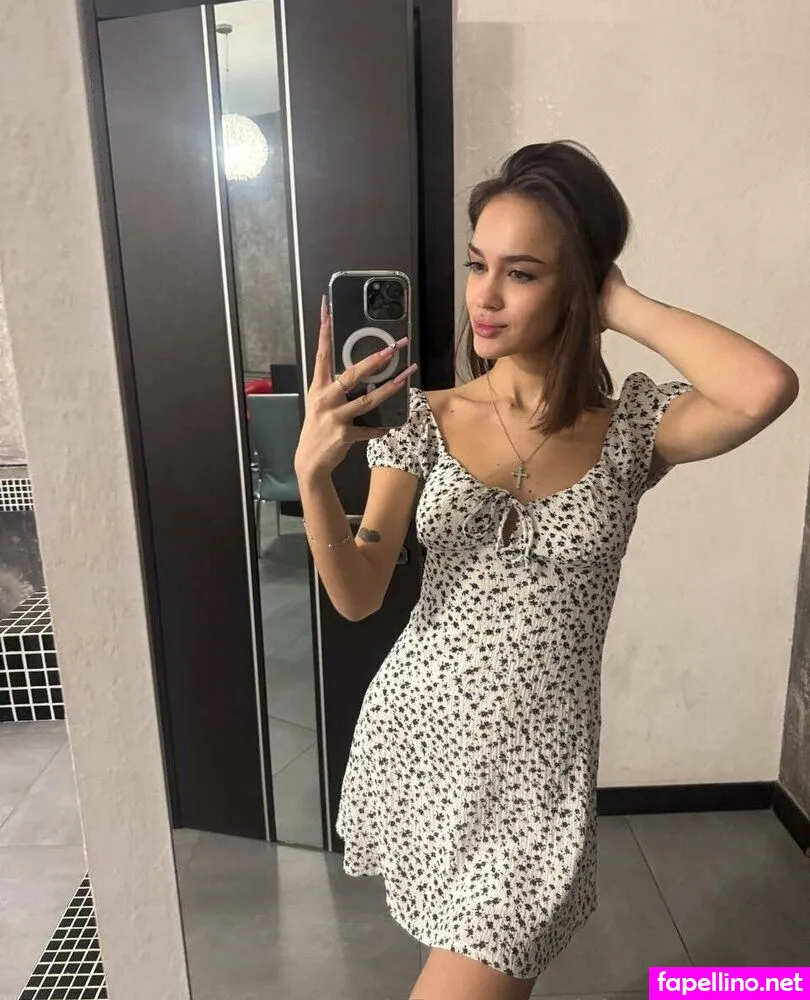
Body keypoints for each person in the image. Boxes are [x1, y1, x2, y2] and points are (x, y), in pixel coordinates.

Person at [293, 141, 799, 1000]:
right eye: (477, 264)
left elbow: (764, 388)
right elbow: (358, 595)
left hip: (539, 778)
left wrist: (620, 303)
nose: (483, 297)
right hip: (424, 742)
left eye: (521, 273)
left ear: (579, 287)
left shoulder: (633, 427)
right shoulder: (424, 418)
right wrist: (313, 480)